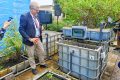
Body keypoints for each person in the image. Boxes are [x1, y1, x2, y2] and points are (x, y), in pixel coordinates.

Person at [19, 1, 47, 75]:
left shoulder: (36, 15)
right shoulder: (24, 16)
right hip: (30, 40)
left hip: (37, 38)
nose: (38, 11)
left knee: (41, 51)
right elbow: (21, 29)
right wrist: (29, 39)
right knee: (31, 55)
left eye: (38, 9)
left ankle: (42, 63)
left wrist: (41, 27)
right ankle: (33, 68)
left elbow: (38, 24)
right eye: (36, 10)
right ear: (31, 9)